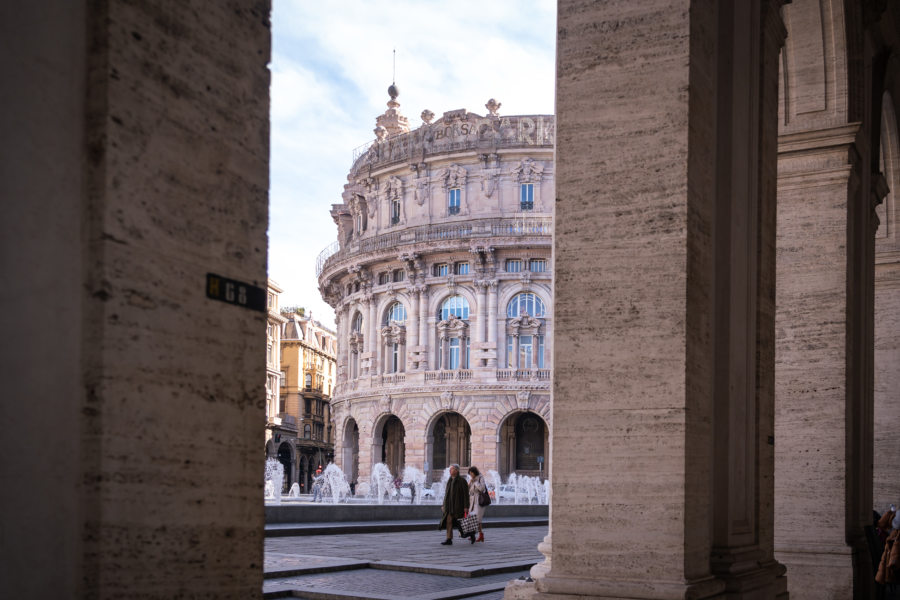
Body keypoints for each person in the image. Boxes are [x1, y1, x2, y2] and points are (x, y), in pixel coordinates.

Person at [438, 464, 469, 545]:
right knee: (449, 522)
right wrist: (444, 505)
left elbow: (466, 495)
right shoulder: (449, 480)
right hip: (450, 507)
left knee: (461, 523)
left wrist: (466, 506)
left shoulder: (462, 481)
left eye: (452, 469)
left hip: (459, 507)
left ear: (457, 470)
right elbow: (446, 495)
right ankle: (449, 539)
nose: (450, 471)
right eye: (450, 469)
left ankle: (470, 534)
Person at [467, 466, 487, 543]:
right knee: (472, 518)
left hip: (479, 501)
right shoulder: (472, 479)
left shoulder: (480, 478)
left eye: (471, 473)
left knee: (478, 520)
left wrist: (475, 482)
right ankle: (473, 535)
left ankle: (481, 535)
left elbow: (482, 488)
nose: (471, 475)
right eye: (470, 474)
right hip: (472, 501)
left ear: (474, 472)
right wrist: (470, 482)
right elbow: (468, 489)